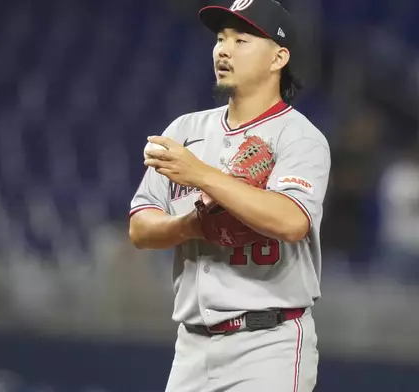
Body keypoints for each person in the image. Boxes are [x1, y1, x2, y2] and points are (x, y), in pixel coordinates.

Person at [128, 1, 330, 391]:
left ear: (278, 57)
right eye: (220, 39)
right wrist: (190, 225)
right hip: (191, 346)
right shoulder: (186, 131)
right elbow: (140, 227)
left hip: (267, 343)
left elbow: (291, 222)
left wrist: (202, 175)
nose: (223, 49)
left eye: (241, 39)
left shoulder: (299, 137)